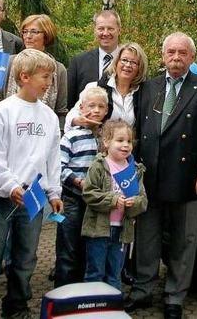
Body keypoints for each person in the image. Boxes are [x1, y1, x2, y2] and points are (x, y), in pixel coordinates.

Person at [127, 32, 197, 319]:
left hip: (188, 178)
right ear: (163, 55)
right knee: (146, 238)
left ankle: (174, 297)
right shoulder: (148, 87)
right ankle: (143, 290)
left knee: (184, 240)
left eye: (182, 53)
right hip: (150, 176)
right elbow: (139, 134)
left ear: (192, 57)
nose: (176, 58)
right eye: (171, 52)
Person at [0, 49, 63, 319]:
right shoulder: (3, 110)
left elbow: (52, 159)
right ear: (24, 76)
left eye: (51, 76)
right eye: (45, 76)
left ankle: (17, 308)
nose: (49, 82)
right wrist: (10, 186)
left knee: (26, 258)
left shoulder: (50, 117)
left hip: (35, 197)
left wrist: (54, 192)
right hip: (1, 198)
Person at [82, 119, 147, 291]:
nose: (125, 145)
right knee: (95, 272)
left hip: (122, 231)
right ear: (106, 142)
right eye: (120, 140)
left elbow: (143, 199)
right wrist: (113, 200)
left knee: (115, 274)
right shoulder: (99, 166)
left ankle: (112, 308)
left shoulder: (135, 169)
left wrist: (135, 203)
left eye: (129, 141)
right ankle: (91, 310)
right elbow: (88, 193)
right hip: (98, 230)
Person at [54, 86, 109, 288]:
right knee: (68, 248)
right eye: (91, 105)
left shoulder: (106, 138)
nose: (95, 110)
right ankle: (63, 293)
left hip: (95, 203)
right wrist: (77, 181)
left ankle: (84, 295)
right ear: (81, 107)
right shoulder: (71, 136)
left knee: (90, 249)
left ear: (106, 110)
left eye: (100, 106)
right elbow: (58, 166)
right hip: (72, 199)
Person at [0, 14, 67, 128]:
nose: (28, 36)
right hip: (8, 128)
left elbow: (61, 111)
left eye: (34, 32)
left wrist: (58, 135)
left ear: (46, 35)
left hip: (44, 131)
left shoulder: (59, 69)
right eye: (25, 32)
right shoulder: (9, 62)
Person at [64, 42, 147, 132]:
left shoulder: (143, 93)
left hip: (127, 145)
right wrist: (77, 121)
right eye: (124, 60)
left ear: (140, 68)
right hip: (96, 144)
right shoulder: (96, 87)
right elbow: (72, 115)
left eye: (133, 62)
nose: (127, 65)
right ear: (116, 62)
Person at [66, 10, 121, 109]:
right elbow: (69, 102)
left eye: (110, 29)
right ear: (95, 30)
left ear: (119, 30)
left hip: (122, 123)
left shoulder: (130, 62)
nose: (105, 33)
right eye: (101, 29)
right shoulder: (78, 63)